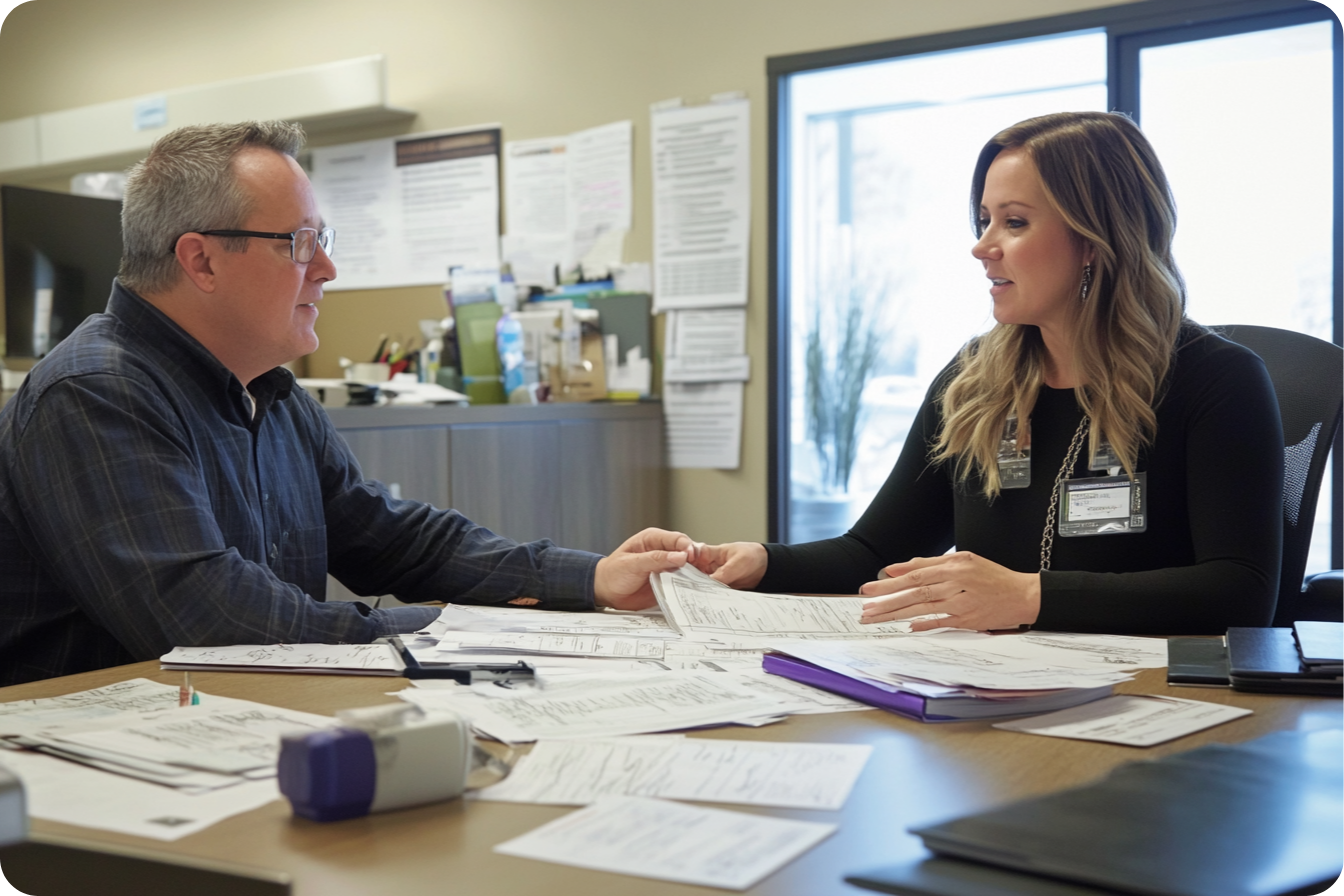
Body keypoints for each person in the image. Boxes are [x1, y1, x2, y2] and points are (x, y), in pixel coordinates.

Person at [0, 121, 691, 687]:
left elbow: (390, 538)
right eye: (300, 243)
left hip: (232, 724)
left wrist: (589, 577)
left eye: (321, 241)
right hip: (94, 779)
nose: (327, 269)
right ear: (201, 260)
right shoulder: (97, 392)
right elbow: (210, 617)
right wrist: (465, 631)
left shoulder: (269, 391)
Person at [696, 111, 1283, 636]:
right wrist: (761, 560)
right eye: (983, 220)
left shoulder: (1217, 382)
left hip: (1151, 702)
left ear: (1094, 240)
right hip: (990, 696)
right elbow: (874, 551)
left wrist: (1028, 595)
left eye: (1015, 222)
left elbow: (1239, 592)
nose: (983, 246)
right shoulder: (974, 382)